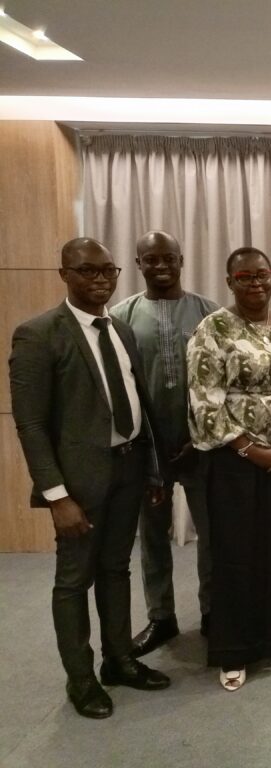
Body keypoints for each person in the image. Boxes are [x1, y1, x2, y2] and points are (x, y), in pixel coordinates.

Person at [10, 237, 170, 719]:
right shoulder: (38, 334)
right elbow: (31, 425)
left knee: (116, 569)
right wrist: (57, 496)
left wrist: (152, 471)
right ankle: (80, 679)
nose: (100, 279)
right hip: (79, 484)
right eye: (88, 270)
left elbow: (137, 404)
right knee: (73, 580)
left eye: (108, 270)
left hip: (128, 468)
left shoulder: (120, 330)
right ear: (64, 273)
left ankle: (118, 660)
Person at [188, 246, 271, 691]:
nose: (255, 283)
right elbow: (204, 401)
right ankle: (235, 650)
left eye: (262, 274)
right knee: (238, 556)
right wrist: (249, 449)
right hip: (236, 464)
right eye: (244, 276)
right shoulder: (213, 329)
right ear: (230, 282)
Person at [110, 231, 219, 655]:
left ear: (181, 260)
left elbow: (222, 384)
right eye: (151, 259)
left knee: (212, 535)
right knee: (153, 536)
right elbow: (118, 390)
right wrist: (142, 447)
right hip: (146, 449)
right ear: (138, 263)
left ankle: (213, 612)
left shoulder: (209, 313)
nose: (160, 266)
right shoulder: (120, 317)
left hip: (202, 445)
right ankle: (161, 617)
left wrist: (200, 436)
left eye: (168, 258)